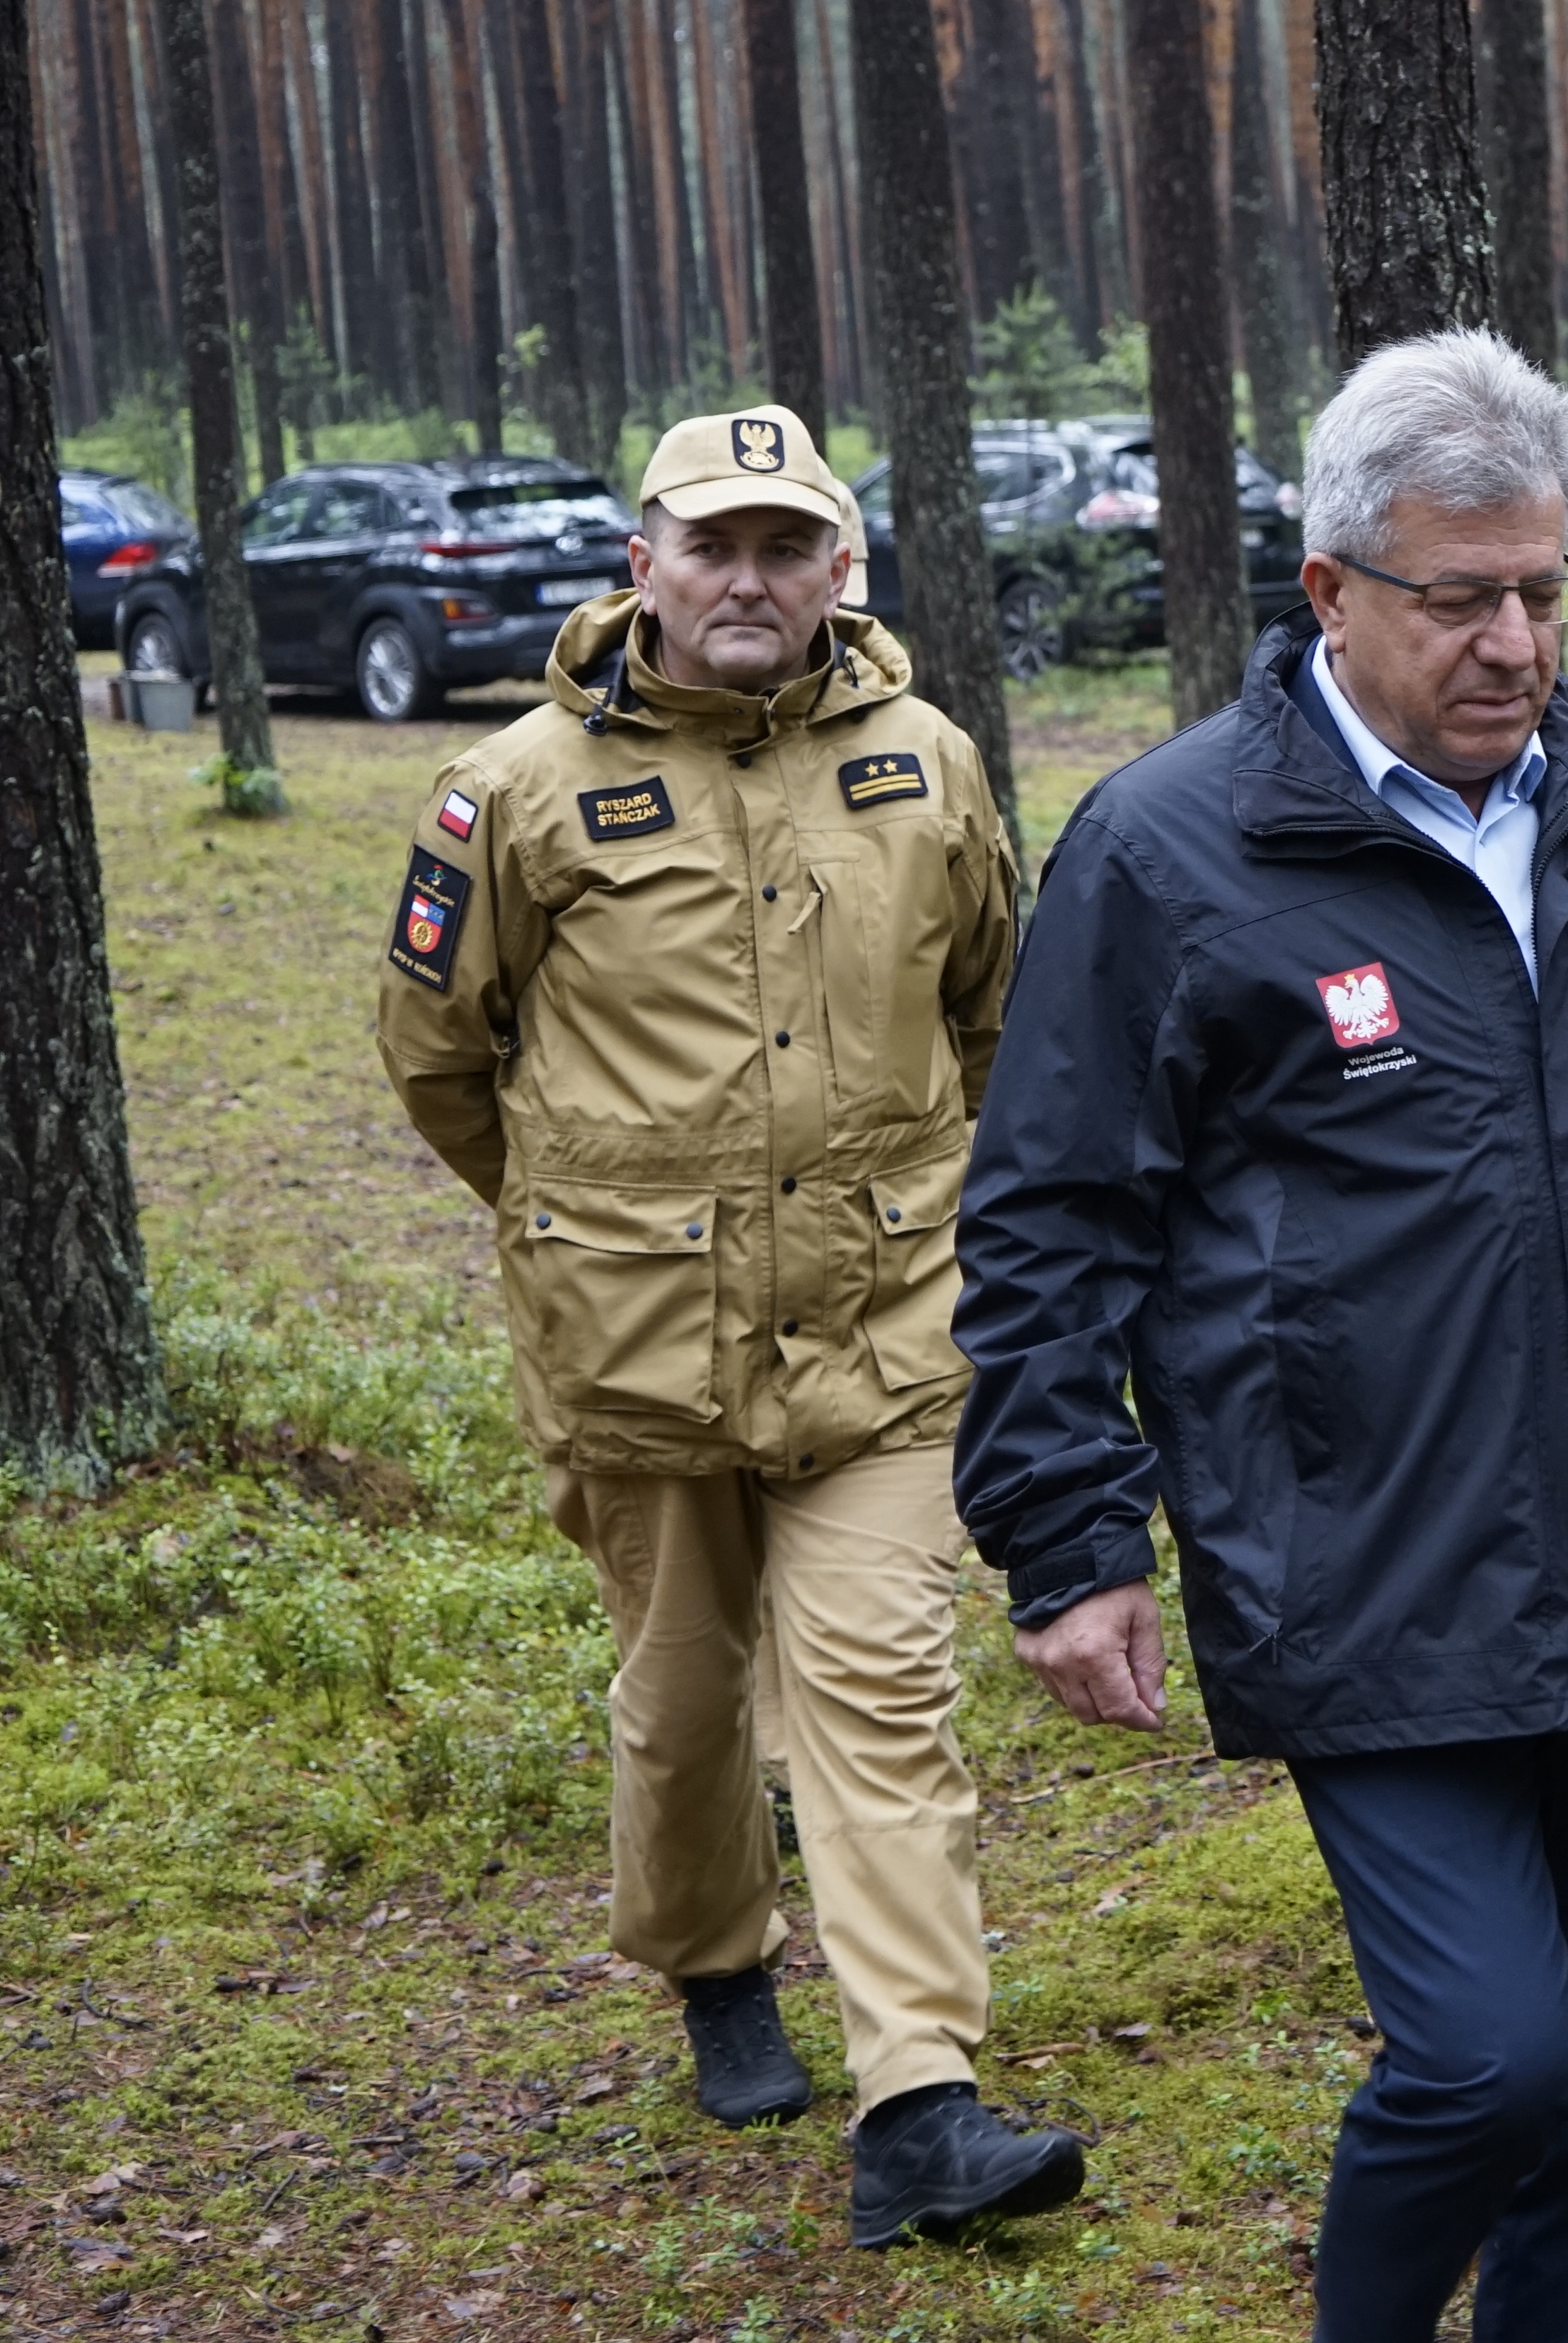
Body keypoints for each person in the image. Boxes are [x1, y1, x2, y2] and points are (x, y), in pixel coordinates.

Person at [952, 331, 1568, 2343]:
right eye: (1461, 597)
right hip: (1366, 1557)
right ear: (1331, 591)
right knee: (1496, 2058)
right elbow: (1055, 1216)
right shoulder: (1173, 849)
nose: (1514, 643)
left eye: (1545, 593)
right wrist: (1068, 1539)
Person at [374, 406, 1072, 2245]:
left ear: (844, 569)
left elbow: (999, 1018)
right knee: (686, 1702)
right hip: (639, 1351)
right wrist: (586, 1226)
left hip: (889, 1330)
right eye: (715, 546)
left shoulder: (928, 764)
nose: (750, 581)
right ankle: (712, 1960)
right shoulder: (518, 792)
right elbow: (444, 1060)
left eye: (789, 546)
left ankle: (919, 2096)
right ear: (644, 569)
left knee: (881, 1697)